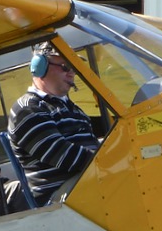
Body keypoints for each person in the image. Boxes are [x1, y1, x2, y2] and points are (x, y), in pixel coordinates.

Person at [7, 41, 99, 206]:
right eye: (65, 66)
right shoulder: (27, 109)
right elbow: (63, 155)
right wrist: (108, 161)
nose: (72, 73)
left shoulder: (75, 110)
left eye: (74, 66)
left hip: (82, 186)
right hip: (57, 199)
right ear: (40, 66)